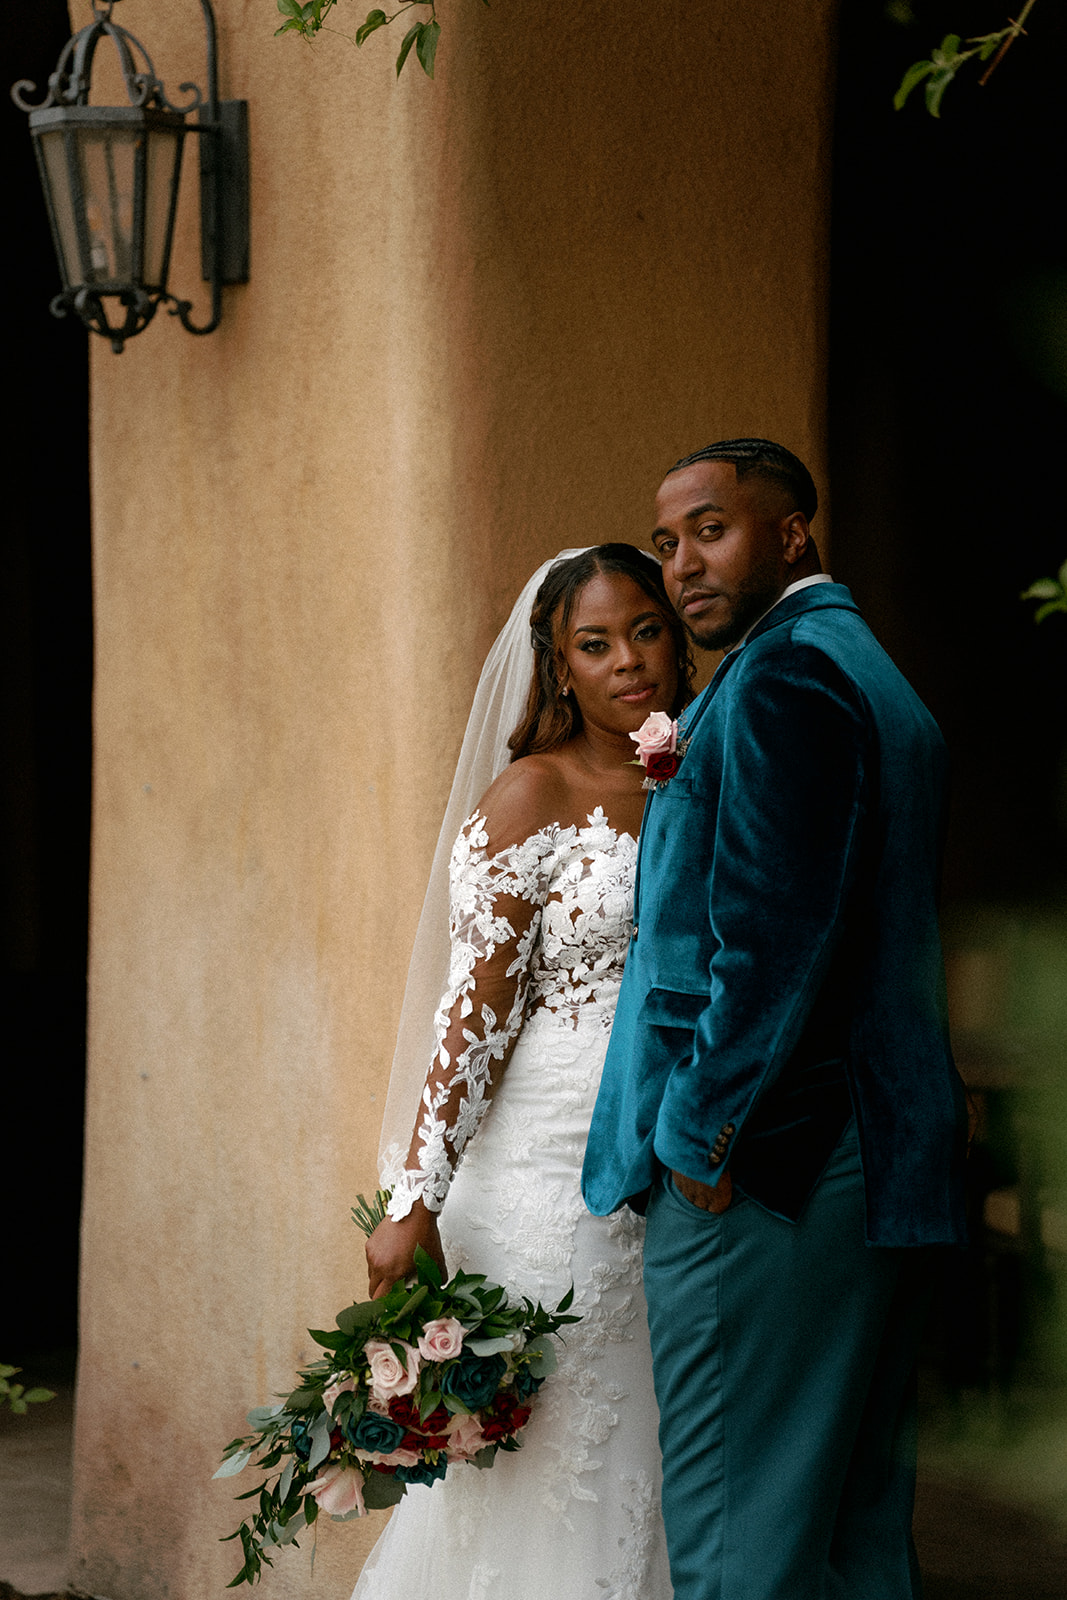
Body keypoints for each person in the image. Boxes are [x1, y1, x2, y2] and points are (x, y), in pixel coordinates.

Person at [582, 439, 969, 1600]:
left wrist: (697, 1140)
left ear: (790, 532)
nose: (682, 564)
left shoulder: (787, 674)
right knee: (847, 1536)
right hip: (871, 1150)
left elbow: (770, 938)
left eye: (711, 528)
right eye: (666, 542)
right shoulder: (857, 663)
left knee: (737, 1543)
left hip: (770, 1164)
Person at [353, 544, 690, 1600]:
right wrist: (413, 1199)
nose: (628, 662)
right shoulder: (527, 795)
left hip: (664, 1161)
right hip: (543, 1168)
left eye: (645, 630)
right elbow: (473, 1010)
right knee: (544, 1460)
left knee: (644, 1444)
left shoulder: (693, 764)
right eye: (595, 644)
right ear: (556, 663)